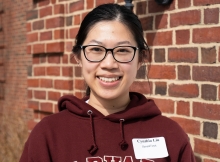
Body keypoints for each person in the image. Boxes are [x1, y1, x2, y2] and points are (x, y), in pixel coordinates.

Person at [19, 3, 196, 162]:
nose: (109, 64)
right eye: (96, 49)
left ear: (141, 59)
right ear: (78, 57)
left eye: (123, 50)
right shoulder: (49, 136)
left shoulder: (170, 136)